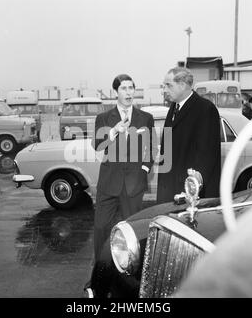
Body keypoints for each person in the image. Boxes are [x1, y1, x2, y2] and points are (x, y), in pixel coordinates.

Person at [92, 73, 156, 262]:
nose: (128, 92)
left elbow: (152, 148)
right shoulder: (103, 118)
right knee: (101, 228)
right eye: (123, 88)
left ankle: (131, 270)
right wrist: (113, 131)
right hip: (109, 182)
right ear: (116, 92)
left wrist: (144, 170)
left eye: (131, 88)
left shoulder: (146, 118)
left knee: (132, 231)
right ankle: (101, 270)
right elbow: (97, 145)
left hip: (134, 185)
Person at [157, 66, 221, 204]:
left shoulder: (205, 109)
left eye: (168, 85)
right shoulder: (173, 108)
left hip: (191, 192)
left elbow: (207, 155)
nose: (164, 90)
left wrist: (193, 186)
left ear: (182, 85)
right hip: (171, 191)